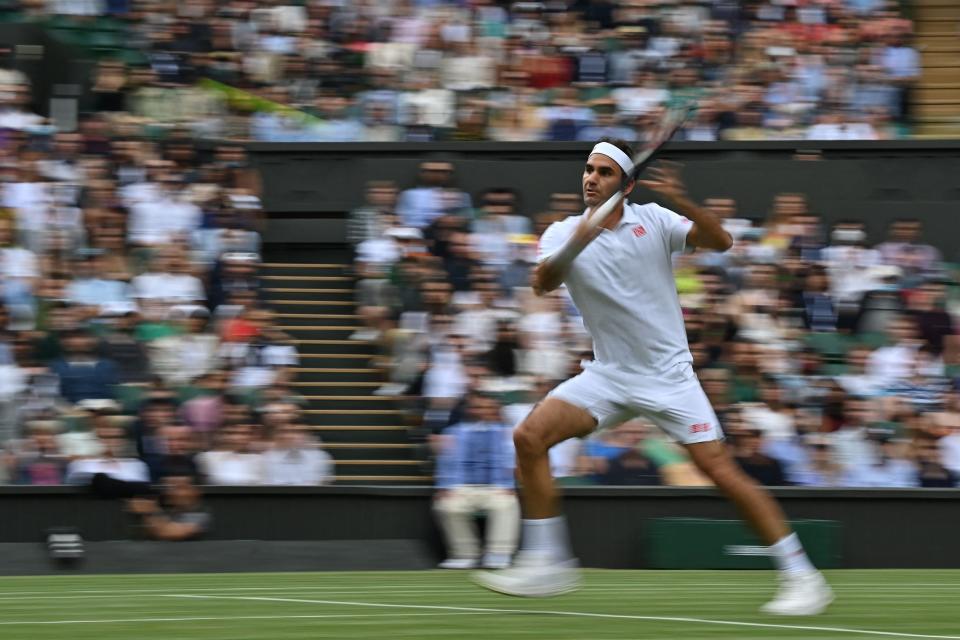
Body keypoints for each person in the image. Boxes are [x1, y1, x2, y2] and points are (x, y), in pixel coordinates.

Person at [472, 138, 833, 615]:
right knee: (528, 438)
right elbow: (542, 284)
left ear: (627, 185)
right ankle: (546, 562)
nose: (590, 178)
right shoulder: (561, 232)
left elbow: (722, 242)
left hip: (669, 378)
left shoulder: (657, 220)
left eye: (603, 172)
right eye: (588, 169)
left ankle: (803, 577)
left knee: (722, 473)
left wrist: (682, 200)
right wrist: (581, 239)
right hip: (608, 375)